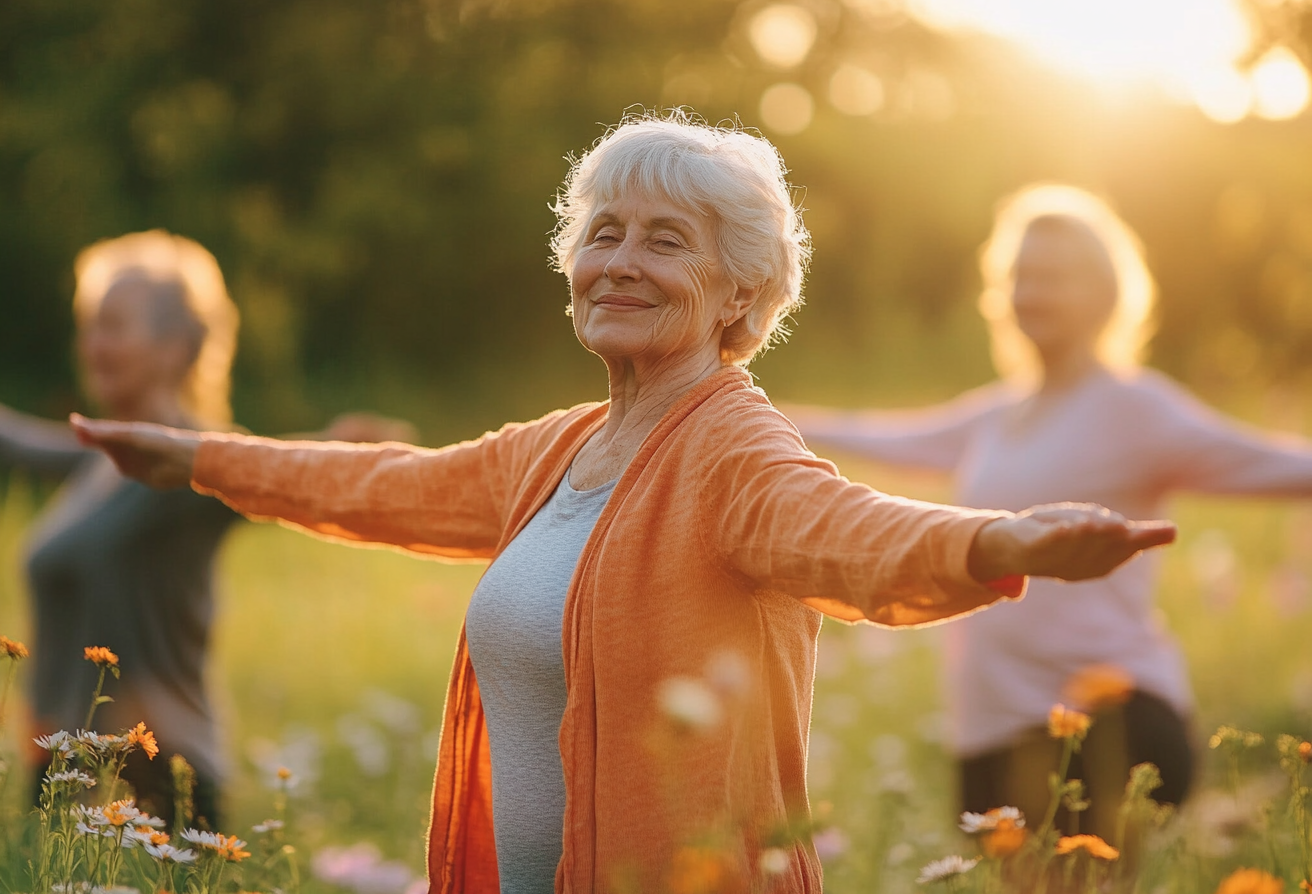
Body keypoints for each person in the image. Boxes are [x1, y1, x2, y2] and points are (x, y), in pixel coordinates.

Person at [73, 118, 1173, 893]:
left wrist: (996, 539)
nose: (620, 263)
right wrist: (191, 457)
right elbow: (382, 488)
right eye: (603, 234)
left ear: (741, 290)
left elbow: (844, 529)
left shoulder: (731, 448)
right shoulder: (560, 447)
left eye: (664, 240)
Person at [785, 183, 1312, 841]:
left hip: (1107, 721)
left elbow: (1280, 465)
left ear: (1104, 292)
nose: (1030, 293)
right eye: (1019, 277)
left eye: (1053, 277)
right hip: (991, 726)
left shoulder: (1134, 408)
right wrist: (758, 416)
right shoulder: (1001, 414)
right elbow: (890, 436)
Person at [2, 230, 413, 828]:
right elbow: (15, 441)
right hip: (64, 777)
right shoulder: (96, 457)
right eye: (88, 325)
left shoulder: (195, 468)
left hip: (159, 780)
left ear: (174, 348)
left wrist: (343, 447)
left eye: (113, 325)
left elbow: (270, 464)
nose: (92, 344)